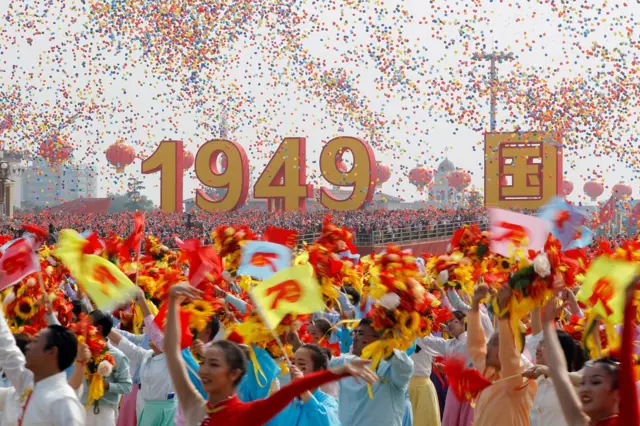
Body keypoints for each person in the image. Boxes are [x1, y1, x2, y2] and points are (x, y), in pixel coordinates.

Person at [164, 284, 378, 426]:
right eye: (204, 363)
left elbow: (292, 390)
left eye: (214, 364)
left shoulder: (247, 413)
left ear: (234, 373)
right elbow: (173, 352)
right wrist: (173, 302)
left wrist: (338, 372)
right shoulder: (193, 404)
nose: (204, 370)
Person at [541, 283, 639, 426]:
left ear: (618, 393)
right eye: (582, 382)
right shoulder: (579, 422)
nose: (585, 388)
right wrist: (547, 324)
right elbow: (559, 374)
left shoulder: (627, 422)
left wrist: (628, 303)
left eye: (596, 382)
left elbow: (626, 361)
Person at [0, 307, 85, 425]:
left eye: (35, 341)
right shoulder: (28, 383)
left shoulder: (64, 402)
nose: (28, 347)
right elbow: (7, 349)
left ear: (51, 352)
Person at [467, 284, 537, 426]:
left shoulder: (519, 377)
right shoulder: (489, 372)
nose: (487, 347)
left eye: (493, 344)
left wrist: (503, 314)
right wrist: (474, 305)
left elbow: (509, 357)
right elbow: (476, 346)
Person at [329, 317, 414, 426]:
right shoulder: (345, 362)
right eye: (354, 333)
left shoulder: (391, 367)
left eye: (359, 333)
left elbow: (405, 367)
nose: (354, 338)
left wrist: (386, 347)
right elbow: (315, 360)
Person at [416, 310, 470, 426]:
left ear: (463, 322)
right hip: (454, 391)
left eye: (453, 321)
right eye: (448, 321)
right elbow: (426, 342)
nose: (449, 324)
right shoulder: (450, 344)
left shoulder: (472, 341)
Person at [523, 326, 586, 426]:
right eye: (539, 343)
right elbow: (515, 356)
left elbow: (586, 382)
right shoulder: (538, 379)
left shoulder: (573, 383)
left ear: (560, 352)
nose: (538, 348)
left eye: (544, 344)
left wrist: (550, 371)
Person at [270, 344, 340, 426]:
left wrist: (303, 390)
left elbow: (324, 421)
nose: (295, 370)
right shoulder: (285, 404)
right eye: (293, 363)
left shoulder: (330, 404)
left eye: (302, 367)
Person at [85, 310, 133, 426]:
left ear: (99, 328)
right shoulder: (83, 351)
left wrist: (106, 385)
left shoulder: (118, 356)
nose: (83, 326)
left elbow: (127, 386)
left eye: (87, 323)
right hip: (81, 406)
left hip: (103, 412)